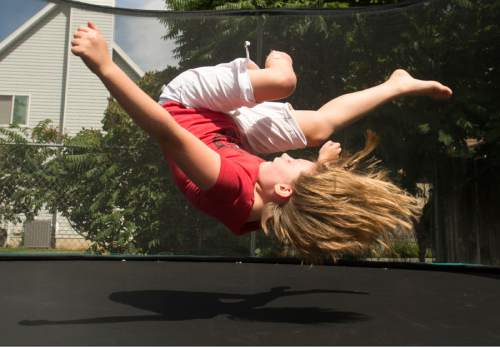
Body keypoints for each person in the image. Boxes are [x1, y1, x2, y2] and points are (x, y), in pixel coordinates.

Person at [71, 22, 452, 258]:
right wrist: (317, 171)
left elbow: (166, 132)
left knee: (283, 83)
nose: (289, 155)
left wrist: (106, 66)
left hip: (185, 102)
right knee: (320, 126)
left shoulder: (230, 187)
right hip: (231, 133)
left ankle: (275, 65)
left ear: (284, 188)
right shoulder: (276, 206)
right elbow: (297, 209)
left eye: (295, 163)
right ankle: (395, 84)